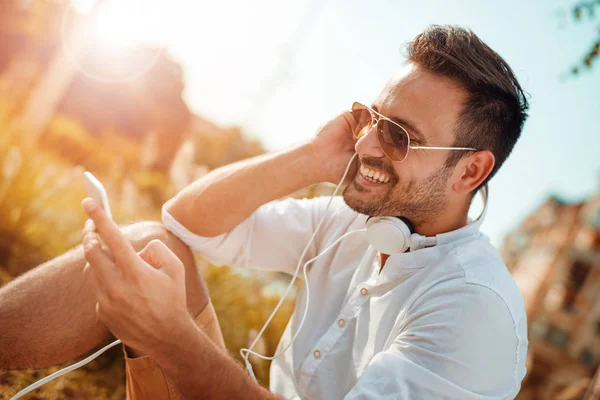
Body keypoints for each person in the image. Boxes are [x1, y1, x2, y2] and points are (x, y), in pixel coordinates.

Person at [0, 25, 529, 399]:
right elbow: (186, 220)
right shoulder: (354, 221)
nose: (367, 143)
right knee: (152, 244)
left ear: (469, 172)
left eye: (399, 135)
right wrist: (313, 157)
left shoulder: (474, 311)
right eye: (369, 118)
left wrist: (171, 338)